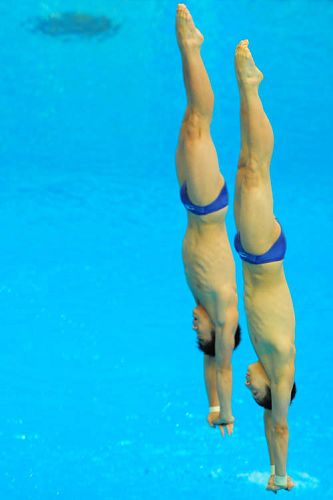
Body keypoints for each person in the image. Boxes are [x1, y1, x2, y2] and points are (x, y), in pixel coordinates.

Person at [233, 40, 296, 491]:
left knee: (246, 166)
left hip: (255, 252)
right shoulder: (280, 366)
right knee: (256, 169)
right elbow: (278, 426)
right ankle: (251, 87)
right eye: (253, 393)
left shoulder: (264, 355)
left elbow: (267, 427)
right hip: (263, 253)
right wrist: (280, 475)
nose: (248, 386)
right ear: (271, 391)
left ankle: (247, 90)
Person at [175, 4, 240, 437]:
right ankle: (192, 47)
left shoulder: (203, 306)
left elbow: (209, 368)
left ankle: (190, 50)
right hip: (208, 205)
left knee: (188, 121)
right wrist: (229, 412)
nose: (192, 326)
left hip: (189, 201)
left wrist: (212, 405)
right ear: (214, 334)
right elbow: (222, 366)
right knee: (200, 123)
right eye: (200, 334)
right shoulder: (224, 313)